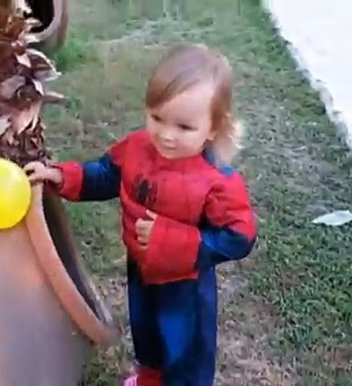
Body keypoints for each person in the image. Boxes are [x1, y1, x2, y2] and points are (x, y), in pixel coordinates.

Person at [24, 43, 257, 386]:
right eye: (157, 117)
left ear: (213, 129)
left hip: (185, 285)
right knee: (146, 332)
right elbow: (106, 174)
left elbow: (239, 237)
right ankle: (149, 378)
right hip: (141, 268)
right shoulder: (135, 149)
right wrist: (64, 176)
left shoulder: (216, 181)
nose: (166, 134)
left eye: (184, 127)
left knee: (184, 350)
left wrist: (172, 241)